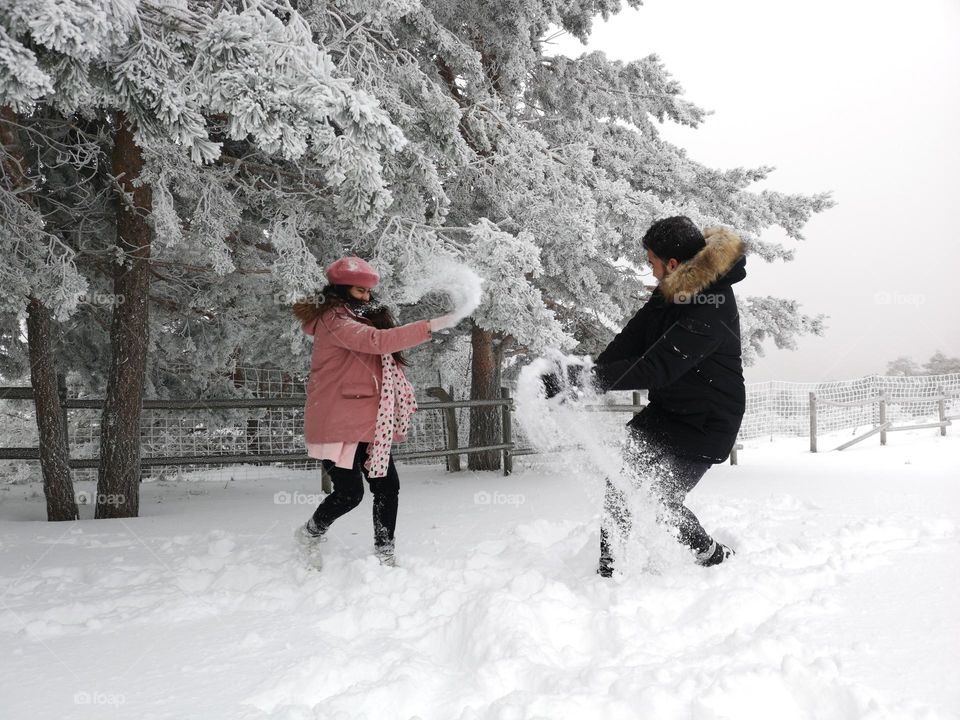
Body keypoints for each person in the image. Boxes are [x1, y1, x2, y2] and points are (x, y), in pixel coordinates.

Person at [543, 216, 747, 575]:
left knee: (659, 498)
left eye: (651, 261)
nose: (649, 269)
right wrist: (584, 380)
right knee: (621, 479)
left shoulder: (712, 307)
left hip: (708, 421)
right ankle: (612, 562)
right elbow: (633, 338)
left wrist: (585, 381)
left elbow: (658, 366)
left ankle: (710, 553)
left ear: (671, 263)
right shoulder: (671, 288)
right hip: (667, 409)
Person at [292, 257, 458, 566]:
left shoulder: (364, 318)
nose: (366, 297)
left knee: (388, 487)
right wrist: (431, 326)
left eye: (369, 292)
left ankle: (385, 552)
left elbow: (379, 345)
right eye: (359, 291)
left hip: (371, 422)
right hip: (337, 423)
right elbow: (376, 342)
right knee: (349, 494)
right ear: (340, 289)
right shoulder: (334, 320)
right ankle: (310, 533)